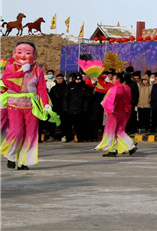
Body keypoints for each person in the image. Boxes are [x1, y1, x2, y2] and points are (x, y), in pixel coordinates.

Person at [1, 41, 52, 170]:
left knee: (30, 134)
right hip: (14, 104)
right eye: (19, 52)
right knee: (17, 130)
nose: (23, 55)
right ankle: (11, 156)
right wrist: (21, 71)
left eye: (28, 53)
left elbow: (42, 88)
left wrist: (46, 104)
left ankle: (23, 161)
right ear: (14, 54)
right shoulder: (10, 68)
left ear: (35, 55)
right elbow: (6, 81)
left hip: (32, 105)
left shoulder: (37, 70)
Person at [95, 73, 137, 157]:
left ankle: (111, 150)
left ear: (118, 79)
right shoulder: (126, 88)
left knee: (110, 131)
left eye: (113, 78)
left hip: (115, 113)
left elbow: (111, 100)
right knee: (119, 131)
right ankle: (131, 146)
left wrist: (107, 109)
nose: (112, 80)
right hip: (123, 113)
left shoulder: (116, 88)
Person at [63, 74, 90, 142]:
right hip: (70, 109)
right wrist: (65, 107)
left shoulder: (84, 88)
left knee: (80, 125)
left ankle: (81, 138)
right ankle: (69, 138)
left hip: (80, 109)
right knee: (69, 125)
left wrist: (85, 108)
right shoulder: (69, 87)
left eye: (79, 80)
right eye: (77, 80)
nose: (78, 81)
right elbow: (66, 98)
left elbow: (86, 99)